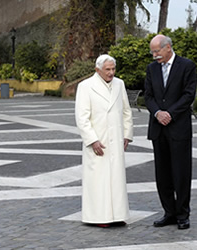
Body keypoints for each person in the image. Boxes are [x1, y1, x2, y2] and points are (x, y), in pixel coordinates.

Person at [144, 34, 196, 230]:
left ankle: (183, 214)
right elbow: (148, 96)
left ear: (168, 48)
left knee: (181, 173)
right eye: (152, 52)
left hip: (178, 128)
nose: (154, 55)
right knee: (162, 173)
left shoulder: (187, 66)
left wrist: (169, 114)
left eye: (157, 51)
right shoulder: (151, 69)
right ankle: (169, 212)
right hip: (158, 129)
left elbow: (189, 94)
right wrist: (158, 113)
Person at [75, 54, 133, 228]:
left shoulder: (119, 84)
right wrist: (92, 140)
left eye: (113, 69)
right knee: (98, 180)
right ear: (97, 70)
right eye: (107, 69)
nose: (111, 73)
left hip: (116, 139)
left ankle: (118, 214)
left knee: (116, 180)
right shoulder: (85, 87)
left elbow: (126, 112)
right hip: (98, 141)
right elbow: (82, 117)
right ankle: (99, 217)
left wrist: (127, 134)